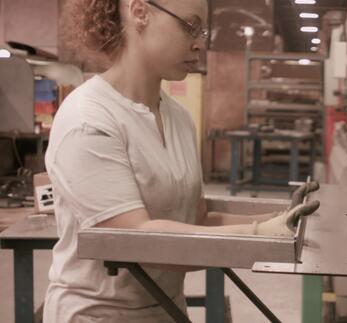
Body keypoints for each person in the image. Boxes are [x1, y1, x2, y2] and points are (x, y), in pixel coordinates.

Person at [43, 0, 320, 322]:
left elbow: (195, 218)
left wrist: (281, 219)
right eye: (189, 25)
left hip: (166, 308)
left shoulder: (178, 116)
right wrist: (261, 234)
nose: (199, 42)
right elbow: (136, 241)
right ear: (140, 12)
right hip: (98, 314)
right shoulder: (89, 119)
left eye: (202, 30)